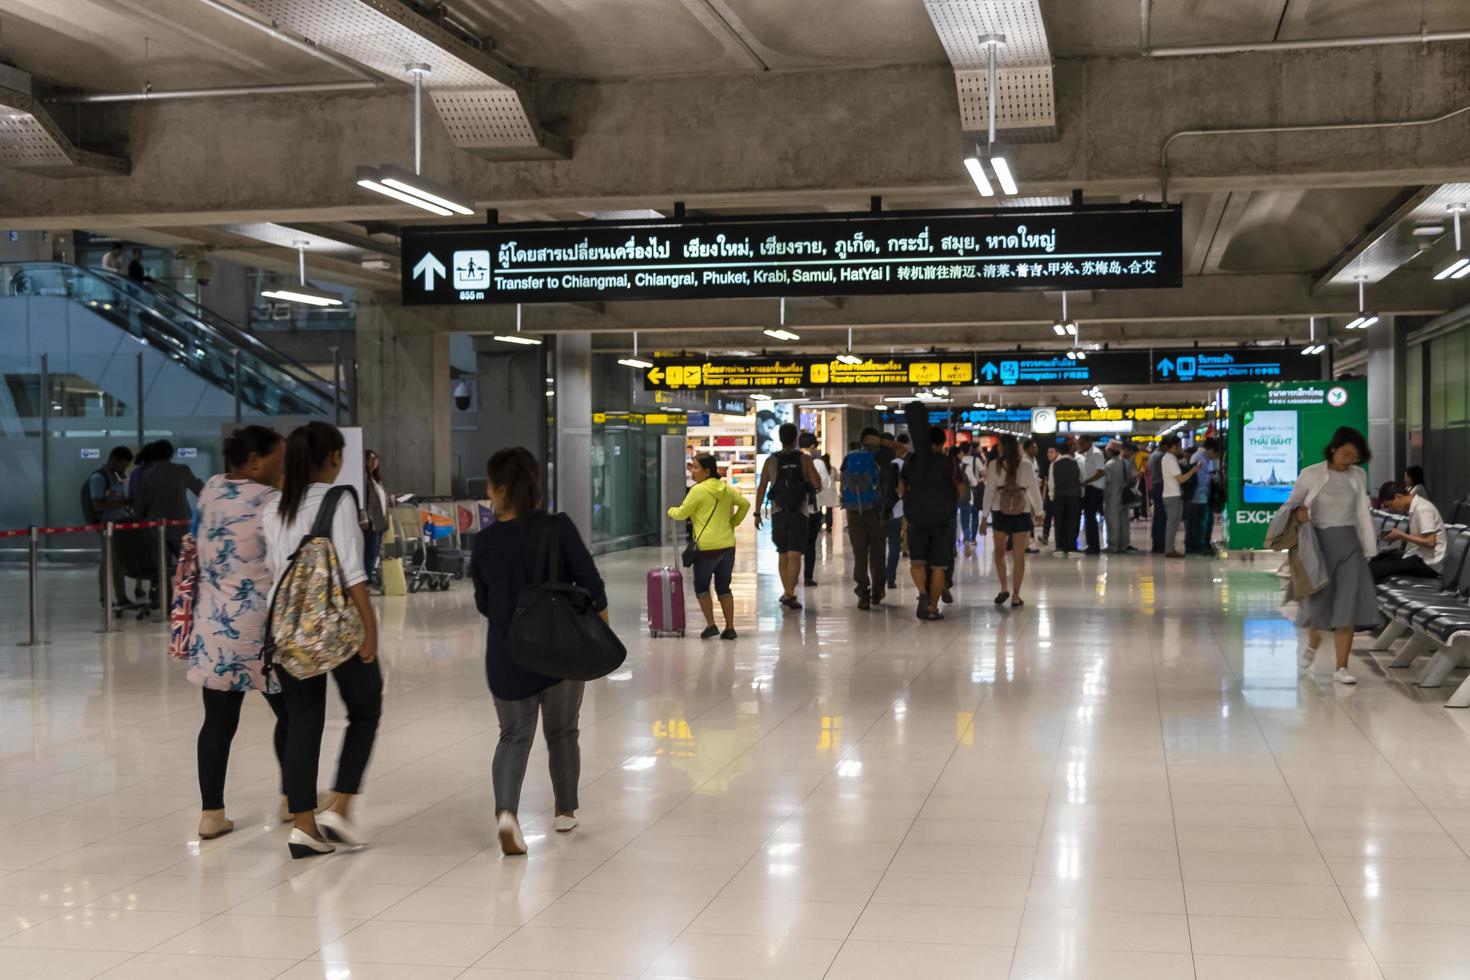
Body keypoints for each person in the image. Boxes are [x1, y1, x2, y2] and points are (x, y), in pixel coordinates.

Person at [471, 447, 607, 855]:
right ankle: (564, 810)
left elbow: (483, 602)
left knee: (513, 735)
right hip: (561, 649)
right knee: (563, 731)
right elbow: (592, 585)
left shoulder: (485, 542)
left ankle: (508, 814)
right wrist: (598, 638)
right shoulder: (558, 527)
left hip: (508, 651)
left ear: (499, 489)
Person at [262, 421, 382, 859]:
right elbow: (353, 572)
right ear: (333, 458)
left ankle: (304, 827)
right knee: (366, 709)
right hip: (335, 629)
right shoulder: (339, 500)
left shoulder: (274, 507)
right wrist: (369, 628)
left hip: (285, 628)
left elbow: (279, 571)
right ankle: (342, 803)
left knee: (302, 721)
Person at [186, 426, 289, 840]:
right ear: (254, 461)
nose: (283, 466)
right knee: (291, 715)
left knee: (217, 722)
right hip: (264, 629)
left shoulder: (210, 489)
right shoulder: (272, 501)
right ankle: (291, 798)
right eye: (278, 458)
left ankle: (212, 813)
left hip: (214, 628)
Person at [1290, 427, 1378, 684]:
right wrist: (1299, 513)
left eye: (1355, 456)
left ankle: (1342, 668)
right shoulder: (1311, 474)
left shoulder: (1358, 476)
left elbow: (1363, 512)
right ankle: (1313, 645)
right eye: (1346, 453)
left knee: (1347, 605)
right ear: (1333, 449)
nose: (1349, 460)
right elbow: (1292, 504)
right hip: (1318, 545)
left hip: (1350, 544)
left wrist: (1369, 548)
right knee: (1318, 604)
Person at [668, 454, 750, 638]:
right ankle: (730, 628)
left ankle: (711, 624)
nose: (692, 471)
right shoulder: (726, 489)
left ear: (707, 471)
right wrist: (733, 523)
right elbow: (745, 504)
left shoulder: (698, 490)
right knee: (724, 588)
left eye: (696, 468)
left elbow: (682, 513)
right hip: (727, 545)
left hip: (706, 549)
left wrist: (671, 511)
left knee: (702, 587)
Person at [901, 402, 965, 621]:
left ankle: (922, 592)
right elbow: (962, 491)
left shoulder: (910, 462)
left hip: (916, 519)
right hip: (942, 521)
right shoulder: (950, 463)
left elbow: (901, 489)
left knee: (917, 562)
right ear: (942, 443)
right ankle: (932, 609)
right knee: (939, 567)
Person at [754, 423, 821, 611]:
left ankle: (787, 591)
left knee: (782, 553)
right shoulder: (804, 459)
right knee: (795, 554)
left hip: (778, 513)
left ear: (780, 438)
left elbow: (762, 487)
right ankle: (791, 593)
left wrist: (757, 513)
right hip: (800, 512)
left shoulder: (771, 460)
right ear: (795, 438)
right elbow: (817, 483)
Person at [135, 439, 205, 608]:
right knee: (189, 565)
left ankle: (165, 602)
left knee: (162, 568)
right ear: (171, 453)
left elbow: (140, 506)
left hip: (155, 528)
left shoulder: (147, 475)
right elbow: (201, 490)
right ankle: (192, 601)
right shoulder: (182, 470)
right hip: (181, 527)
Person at [980, 434, 1044, 608]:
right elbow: (1033, 489)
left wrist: (984, 517)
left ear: (1003, 447)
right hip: (1021, 512)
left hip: (999, 511)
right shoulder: (1026, 465)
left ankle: (1003, 588)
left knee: (999, 553)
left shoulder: (994, 465)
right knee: (1018, 556)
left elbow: (989, 492)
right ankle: (1016, 595)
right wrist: (1038, 511)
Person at [841, 428, 888, 609]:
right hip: (875, 511)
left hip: (853, 512)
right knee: (877, 553)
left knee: (859, 554)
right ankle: (877, 591)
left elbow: (844, 483)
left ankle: (863, 592)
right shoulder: (878, 458)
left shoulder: (849, 457)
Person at [85, 445, 134, 610]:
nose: (124, 468)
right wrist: (121, 502)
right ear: (114, 460)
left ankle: (121, 596)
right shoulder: (99, 478)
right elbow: (97, 504)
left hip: (118, 525)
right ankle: (105, 597)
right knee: (108, 562)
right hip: (107, 526)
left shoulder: (115, 477)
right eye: (124, 465)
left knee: (117, 562)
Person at [1371, 481, 1445, 582]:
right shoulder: (1414, 507)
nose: (1390, 510)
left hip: (1429, 564)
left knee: (1376, 569)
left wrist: (1401, 535)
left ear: (1398, 496)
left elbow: (1430, 542)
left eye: (1390, 505)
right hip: (1418, 556)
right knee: (1375, 561)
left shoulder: (1423, 508)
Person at [1159, 435, 1200, 558]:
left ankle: (1169, 548)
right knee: (1173, 523)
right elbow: (1181, 479)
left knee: (1172, 523)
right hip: (1173, 496)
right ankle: (1169, 550)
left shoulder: (1166, 458)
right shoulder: (1170, 460)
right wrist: (1193, 470)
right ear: (1173, 446)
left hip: (1169, 494)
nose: (1180, 449)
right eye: (1179, 446)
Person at [800, 432, 831, 587]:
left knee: (793, 546)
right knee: (810, 544)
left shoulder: (792, 459)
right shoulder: (817, 463)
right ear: (813, 446)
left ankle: (790, 581)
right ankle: (807, 577)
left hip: (793, 509)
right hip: (812, 508)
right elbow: (826, 484)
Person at [1186, 438, 1221, 556]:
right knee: (1196, 524)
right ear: (1211, 450)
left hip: (1204, 496)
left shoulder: (1207, 459)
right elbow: (1198, 478)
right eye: (1215, 453)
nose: (1215, 456)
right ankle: (1195, 547)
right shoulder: (1198, 458)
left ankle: (1199, 545)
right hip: (1196, 496)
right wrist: (1212, 478)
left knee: (1201, 523)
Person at [883, 433, 909, 591]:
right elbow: (902, 489)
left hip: (877, 509)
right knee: (894, 546)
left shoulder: (878, 462)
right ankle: (890, 578)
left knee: (877, 547)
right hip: (896, 510)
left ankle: (878, 577)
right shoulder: (902, 464)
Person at [1050, 441, 1083, 557]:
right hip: (1073, 496)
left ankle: (1059, 547)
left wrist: (1052, 496)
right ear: (1069, 450)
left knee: (1059, 521)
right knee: (1072, 521)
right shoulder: (1075, 463)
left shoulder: (1055, 464)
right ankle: (1071, 547)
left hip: (1058, 496)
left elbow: (1051, 482)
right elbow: (1081, 478)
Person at [361, 449, 389, 586]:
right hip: (371, 523)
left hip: (380, 522)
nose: (374, 462)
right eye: (371, 459)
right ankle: (365, 582)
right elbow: (364, 501)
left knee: (373, 554)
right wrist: (365, 517)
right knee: (369, 554)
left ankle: (367, 579)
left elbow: (381, 499)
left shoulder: (376, 480)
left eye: (376, 459)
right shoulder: (364, 479)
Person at [1103, 442, 1135, 554]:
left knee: (1113, 522)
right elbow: (1130, 479)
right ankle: (1124, 544)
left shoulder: (1109, 465)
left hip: (1112, 497)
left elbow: (1106, 481)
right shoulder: (1125, 463)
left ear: (1110, 452)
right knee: (1124, 521)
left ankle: (1113, 545)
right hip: (1124, 497)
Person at [1077, 435, 1106, 554]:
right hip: (1089, 488)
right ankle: (1091, 544)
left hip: (1095, 488)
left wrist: (1087, 481)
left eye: (1082, 443)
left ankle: (1094, 546)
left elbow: (1101, 472)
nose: (1080, 446)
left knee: (1091, 517)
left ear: (1089, 442)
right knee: (1089, 517)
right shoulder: (1087, 454)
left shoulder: (1096, 453)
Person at [958, 441, 985, 558]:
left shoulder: (957, 462)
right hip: (971, 492)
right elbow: (984, 473)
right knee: (974, 515)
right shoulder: (976, 460)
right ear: (969, 449)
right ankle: (972, 538)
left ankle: (961, 539)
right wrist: (980, 481)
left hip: (957, 494)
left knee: (960, 519)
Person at [1148, 442, 1167, 554]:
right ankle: (1160, 542)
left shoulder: (1153, 455)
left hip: (1155, 485)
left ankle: (1156, 542)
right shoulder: (1161, 456)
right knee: (1161, 516)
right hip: (1161, 485)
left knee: (1157, 515)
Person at [1039, 444, 1057, 547]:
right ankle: (1045, 535)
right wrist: (1043, 495)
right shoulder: (1048, 465)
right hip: (1049, 494)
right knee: (1048, 516)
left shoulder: (1059, 464)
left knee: (1056, 516)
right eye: (1048, 452)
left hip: (1056, 495)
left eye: (1051, 452)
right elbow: (1046, 481)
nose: (1049, 454)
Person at [817, 452, 838, 533]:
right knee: (829, 511)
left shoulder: (819, 469)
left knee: (820, 511)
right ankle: (829, 528)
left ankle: (819, 527)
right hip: (830, 493)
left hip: (821, 492)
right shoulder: (833, 469)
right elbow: (837, 478)